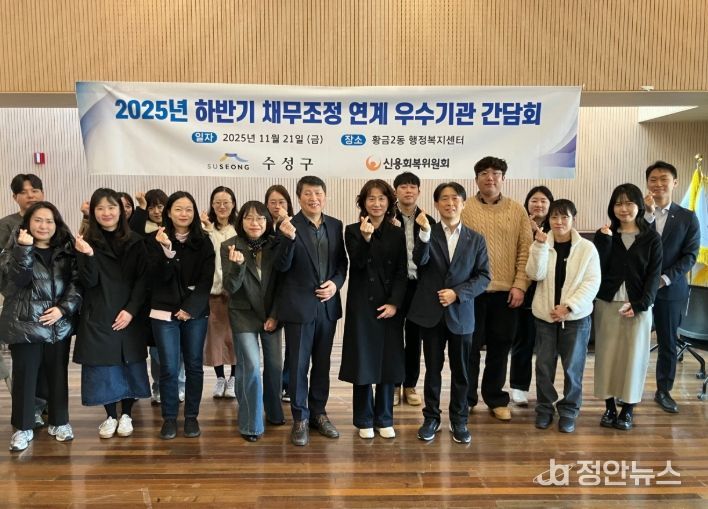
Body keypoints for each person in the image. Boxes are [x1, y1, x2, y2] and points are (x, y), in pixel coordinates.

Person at [408, 182, 490, 444]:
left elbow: (483, 277)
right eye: (444, 198)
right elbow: (419, 262)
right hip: (431, 314)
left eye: (455, 198)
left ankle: (459, 419)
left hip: (461, 314)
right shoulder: (426, 232)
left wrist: (457, 293)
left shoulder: (476, 239)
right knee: (432, 370)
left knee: (462, 371)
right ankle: (431, 418)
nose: (450, 203)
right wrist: (423, 235)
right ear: (436, 204)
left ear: (463, 204)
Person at [0, 202, 81, 451]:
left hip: (57, 325)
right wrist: (24, 249)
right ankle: (23, 428)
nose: (44, 226)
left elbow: (77, 284)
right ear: (27, 223)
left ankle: (60, 422)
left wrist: (63, 309)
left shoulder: (66, 251)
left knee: (57, 376)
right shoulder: (13, 250)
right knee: (25, 379)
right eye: (38, 220)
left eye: (49, 221)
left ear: (56, 225)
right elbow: (15, 281)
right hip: (24, 326)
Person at [275, 175, 348, 446]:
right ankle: (300, 418)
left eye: (318, 193)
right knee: (298, 365)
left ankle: (319, 413)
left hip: (327, 307)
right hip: (298, 308)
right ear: (299, 197)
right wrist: (287, 239)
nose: (313, 198)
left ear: (325, 196)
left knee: (322, 364)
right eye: (307, 193)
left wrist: (335, 285)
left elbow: (342, 264)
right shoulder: (287, 225)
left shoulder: (335, 225)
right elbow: (281, 267)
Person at [73, 188, 151, 439]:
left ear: (121, 210)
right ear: (93, 212)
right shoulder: (87, 240)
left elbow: (143, 280)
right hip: (99, 311)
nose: (106, 213)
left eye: (111, 207)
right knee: (103, 366)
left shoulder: (136, 241)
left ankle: (126, 414)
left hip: (129, 312)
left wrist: (131, 310)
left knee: (129, 363)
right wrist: (87, 255)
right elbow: (88, 281)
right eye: (100, 208)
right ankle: (109, 415)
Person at [460, 156, 532, 421]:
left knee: (500, 348)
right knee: (469, 347)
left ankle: (495, 398)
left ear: (503, 178)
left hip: (506, 292)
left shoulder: (517, 210)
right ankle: (466, 398)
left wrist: (520, 285)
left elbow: (525, 249)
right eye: (484, 173)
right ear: (476, 178)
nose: (490, 178)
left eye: (496, 173)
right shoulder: (464, 208)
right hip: (471, 292)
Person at [339, 180, 407, 439]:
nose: (376, 203)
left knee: (388, 363)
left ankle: (385, 418)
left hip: (389, 305)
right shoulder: (352, 230)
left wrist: (395, 303)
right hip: (362, 305)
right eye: (371, 198)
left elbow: (401, 271)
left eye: (381, 198)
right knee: (363, 362)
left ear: (389, 202)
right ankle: (364, 419)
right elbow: (356, 265)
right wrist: (366, 239)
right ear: (363, 202)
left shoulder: (397, 232)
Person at [526, 199, 600, 433]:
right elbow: (534, 275)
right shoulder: (542, 243)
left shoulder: (587, 248)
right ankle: (544, 408)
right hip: (545, 317)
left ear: (573, 219)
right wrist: (539, 246)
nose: (559, 222)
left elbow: (592, 282)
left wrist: (569, 307)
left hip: (575, 319)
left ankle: (569, 410)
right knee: (544, 367)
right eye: (554, 217)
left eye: (564, 217)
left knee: (573, 368)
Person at [146, 191, 215, 439]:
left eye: (188, 209)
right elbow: (155, 279)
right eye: (178, 209)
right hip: (163, 312)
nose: (183, 214)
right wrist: (166, 251)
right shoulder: (154, 239)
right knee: (168, 367)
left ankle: (191, 417)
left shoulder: (203, 241)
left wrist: (190, 308)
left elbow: (206, 281)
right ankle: (169, 418)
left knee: (194, 365)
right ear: (168, 212)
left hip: (194, 313)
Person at [594, 183, 662, 431]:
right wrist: (605, 241)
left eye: (629, 203)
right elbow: (597, 269)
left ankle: (628, 409)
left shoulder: (651, 238)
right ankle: (609, 407)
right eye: (618, 203)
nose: (623, 208)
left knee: (634, 357)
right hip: (607, 302)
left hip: (639, 305)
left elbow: (654, 276)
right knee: (607, 356)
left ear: (639, 206)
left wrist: (641, 304)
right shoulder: (605, 234)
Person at [221, 201, 284, 442]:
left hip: (271, 314)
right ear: (241, 221)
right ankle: (251, 424)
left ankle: (274, 412)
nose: (254, 223)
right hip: (243, 314)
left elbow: (282, 285)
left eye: (260, 218)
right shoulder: (229, 245)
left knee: (275, 367)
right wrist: (237, 266)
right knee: (251, 368)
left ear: (267, 221)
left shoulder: (275, 244)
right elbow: (230, 287)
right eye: (249, 218)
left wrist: (275, 315)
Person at [643, 161, 700, 413]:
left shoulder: (688, 217)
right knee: (633, 341)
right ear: (647, 183)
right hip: (638, 289)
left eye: (663, 179)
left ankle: (663, 391)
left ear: (674, 183)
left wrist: (664, 279)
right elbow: (633, 245)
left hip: (670, 289)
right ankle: (627, 389)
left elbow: (690, 256)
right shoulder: (639, 214)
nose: (658, 184)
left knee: (667, 342)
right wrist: (647, 214)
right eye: (653, 179)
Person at [0, 174, 47, 428]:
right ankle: (31, 411)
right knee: (25, 366)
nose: (31, 195)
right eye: (24, 192)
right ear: (14, 197)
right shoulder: (7, 225)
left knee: (47, 364)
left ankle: (46, 404)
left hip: (48, 308)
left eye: (35, 190)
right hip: (22, 307)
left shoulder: (51, 221)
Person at [129, 188, 184, 405]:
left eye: (160, 206)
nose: (156, 211)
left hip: (176, 296)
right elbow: (132, 232)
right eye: (152, 207)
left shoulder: (175, 230)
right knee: (157, 349)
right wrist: (141, 208)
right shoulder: (143, 231)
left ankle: (179, 385)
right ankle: (158, 386)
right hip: (152, 299)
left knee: (178, 348)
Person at [391, 171, 436, 407]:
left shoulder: (429, 221)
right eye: (403, 187)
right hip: (394, 287)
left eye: (412, 187)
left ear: (419, 191)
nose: (408, 191)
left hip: (419, 287)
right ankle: (393, 385)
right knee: (392, 337)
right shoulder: (387, 217)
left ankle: (410, 385)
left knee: (414, 338)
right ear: (395, 191)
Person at [510, 186, 554, 406]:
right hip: (525, 291)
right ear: (527, 203)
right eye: (534, 200)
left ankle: (547, 390)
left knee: (548, 347)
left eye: (543, 201)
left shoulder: (557, 227)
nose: (538, 205)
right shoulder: (520, 224)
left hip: (549, 292)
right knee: (523, 341)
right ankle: (518, 387)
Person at [200, 186, 238, 399]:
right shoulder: (205, 229)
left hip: (235, 293)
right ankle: (220, 378)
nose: (222, 206)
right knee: (215, 338)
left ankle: (234, 378)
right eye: (217, 202)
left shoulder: (239, 228)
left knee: (235, 337)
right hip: (212, 292)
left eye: (226, 202)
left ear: (233, 204)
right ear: (212, 205)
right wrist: (207, 229)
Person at [264, 184, 295, 403]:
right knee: (272, 347)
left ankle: (287, 384)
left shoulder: (296, 225)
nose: (277, 206)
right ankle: (272, 388)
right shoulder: (262, 227)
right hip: (270, 293)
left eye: (281, 202)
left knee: (293, 346)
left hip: (291, 292)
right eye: (272, 202)